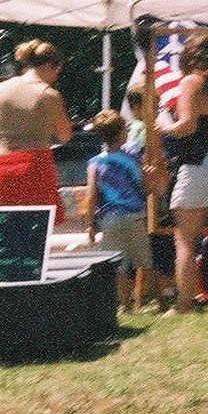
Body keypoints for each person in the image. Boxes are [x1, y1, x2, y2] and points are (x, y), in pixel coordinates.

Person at [156, 35, 208, 314]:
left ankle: (183, 304)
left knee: (185, 240)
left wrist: (165, 126)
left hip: (195, 166)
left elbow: (188, 126)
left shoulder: (191, 82)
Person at [0, 39, 70, 220]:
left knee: (10, 224)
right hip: (35, 164)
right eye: (57, 72)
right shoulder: (49, 95)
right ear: (51, 66)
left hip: (3, 165)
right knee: (39, 225)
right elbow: (65, 135)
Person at [85, 110, 152, 311]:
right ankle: (161, 301)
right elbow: (144, 186)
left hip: (109, 218)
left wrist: (90, 224)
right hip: (135, 214)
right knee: (145, 260)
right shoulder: (132, 159)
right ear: (122, 133)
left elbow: (91, 194)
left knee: (117, 264)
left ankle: (125, 304)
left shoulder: (95, 162)